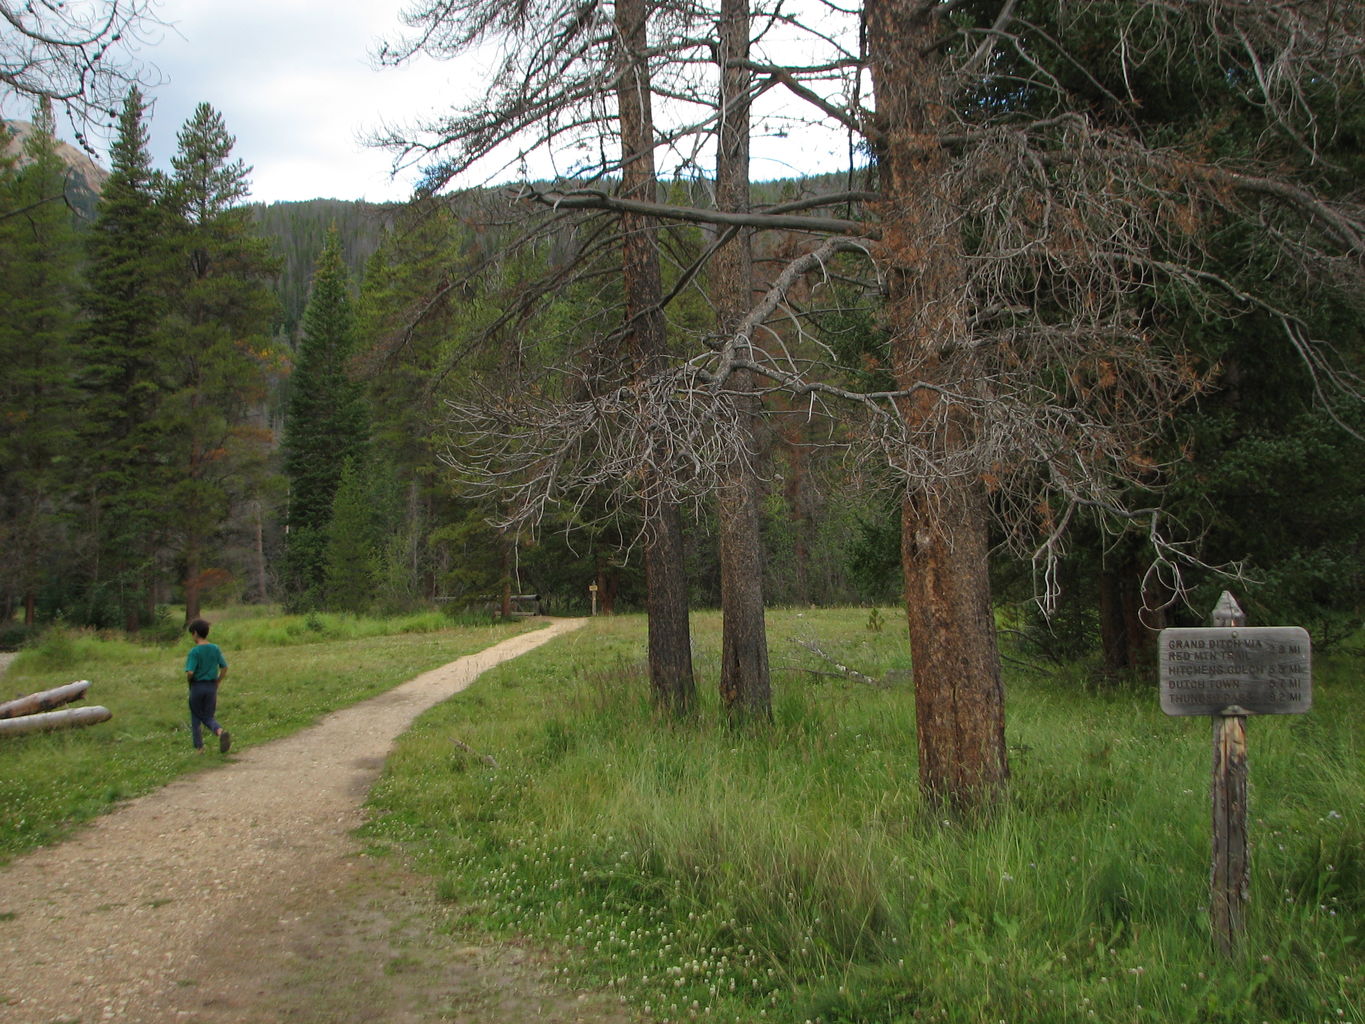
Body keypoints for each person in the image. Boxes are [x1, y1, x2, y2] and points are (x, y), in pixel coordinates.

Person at [185, 618, 231, 754]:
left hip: (198, 686)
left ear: (195, 633)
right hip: (212, 686)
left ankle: (200, 747)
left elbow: (190, 672)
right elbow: (224, 667)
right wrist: (218, 681)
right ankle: (219, 731)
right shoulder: (215, 648)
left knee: (196, 716)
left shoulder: (194, 652)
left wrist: (190, 680)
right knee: (208, 716)